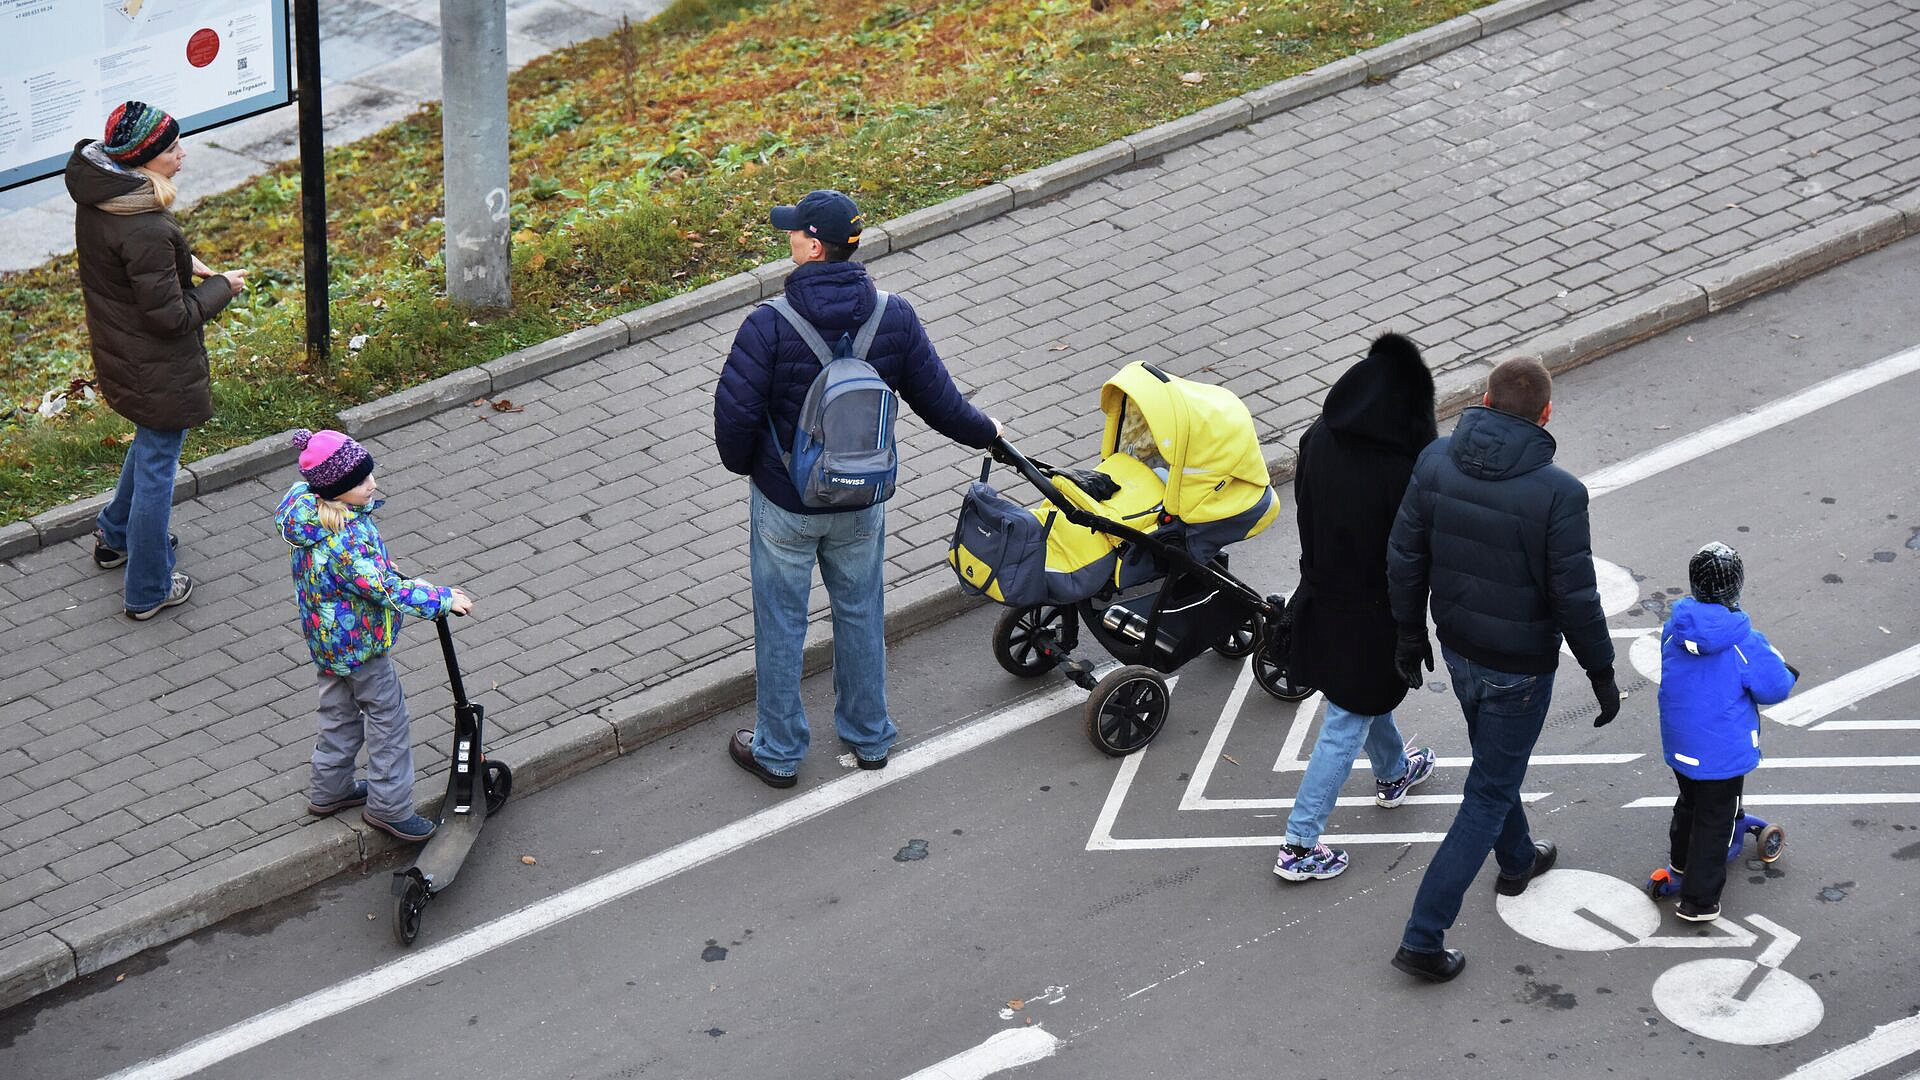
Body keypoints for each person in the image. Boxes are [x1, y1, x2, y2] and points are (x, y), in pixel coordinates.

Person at [713, 189, 1001, 788]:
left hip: (787, 504)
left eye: (794, 232)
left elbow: (734, 418)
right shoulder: (892, 315)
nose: (787, 236)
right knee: (862, 612)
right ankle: (869, 736)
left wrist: (756, 471)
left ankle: (780, 751)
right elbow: (940, 402)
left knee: (782, 624)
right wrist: (987, 433)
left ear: (813, 247)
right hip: (861, 499)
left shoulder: (769, 325)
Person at [1385, 355, 1621, 982]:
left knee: (1494, 762)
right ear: (1546, 414)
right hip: (1519, 667)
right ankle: (1423, 936)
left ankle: (1517, 858)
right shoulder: (1559, 492)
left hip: (1458, 646)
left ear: (1484, 400)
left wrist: (1409, 632)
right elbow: (1575, 595)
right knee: (1487, 792)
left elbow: (1405, 554)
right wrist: (1601, 670)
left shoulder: (1434, 460)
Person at [66, 100, 247, 619]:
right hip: (158, 366)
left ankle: (114, 536)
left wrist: (180, 261)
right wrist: (221, 288)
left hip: (122, 352)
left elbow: (127, 259)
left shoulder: (102, 195)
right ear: (141, 159)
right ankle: (148, 588)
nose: (181, 156)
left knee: (149, 447)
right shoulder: (144, 223)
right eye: (170, 150)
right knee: (158, 470)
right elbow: (171, 317)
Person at [1273, 334, 1439, 882]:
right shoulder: (1401, 465)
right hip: (1373, 608)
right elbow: (1411, 551)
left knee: (1361, 693)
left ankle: (1394, 773)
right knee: (1347, 715)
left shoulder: (1318, 437)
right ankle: (1301, 842)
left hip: (1323, 593)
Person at [275, 429, 473, 841]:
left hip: (327, 642)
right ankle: (390, 806)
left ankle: (330, 791)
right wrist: (441, 599)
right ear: (338, 487)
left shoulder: (309, 513)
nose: (373, 485)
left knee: (339, 714)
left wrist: (380, 566)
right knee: (389, 719)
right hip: (361, 646)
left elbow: (364, 575)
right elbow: (382, 587)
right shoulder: (343, 539)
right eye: (363, 480)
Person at [1655, 542, 1796, 922]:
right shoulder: (1744, 642)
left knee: (1689, 802)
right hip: (1721, 752)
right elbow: (1774, 687)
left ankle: (1680, 865)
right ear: (1737, 588)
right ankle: (1699, 901)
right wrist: (1789, 673)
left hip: (1681, 743)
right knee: (1716, 820)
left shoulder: (1674, 628)